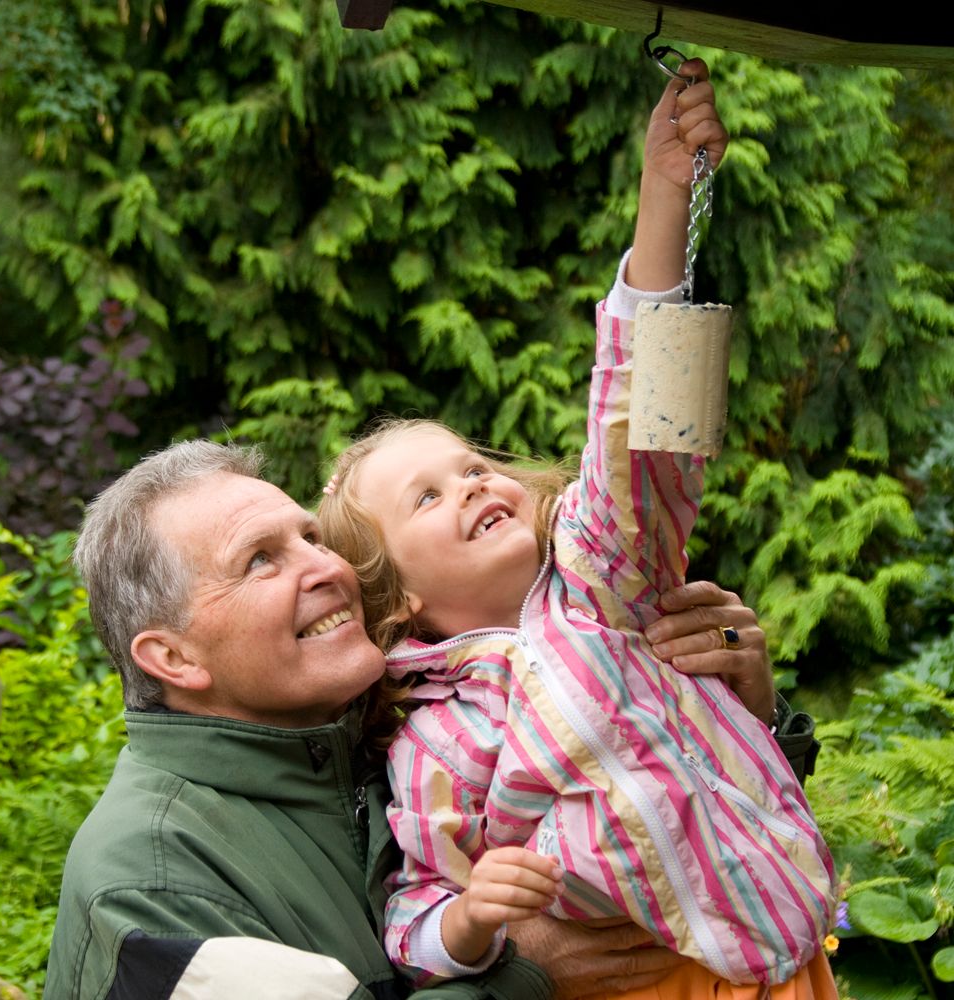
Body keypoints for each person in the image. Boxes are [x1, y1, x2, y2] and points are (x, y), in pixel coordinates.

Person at [317, 60, 837, 997]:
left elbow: (649, 436)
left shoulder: (604, 582)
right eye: (426, 499)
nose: (473, 484)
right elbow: (416, 913)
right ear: (401, 606)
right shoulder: (431, 738)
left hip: (778, 960)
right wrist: (476, 922)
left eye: (472, 465)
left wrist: (664, 198)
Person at [43, 439, 806, 1000]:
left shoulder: (399, 728)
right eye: (260, 560)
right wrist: (517, 974)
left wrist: (737, 711)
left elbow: (637, 809)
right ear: (173, 658)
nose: (328, 567)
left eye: (309, 536)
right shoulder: (149, 886)